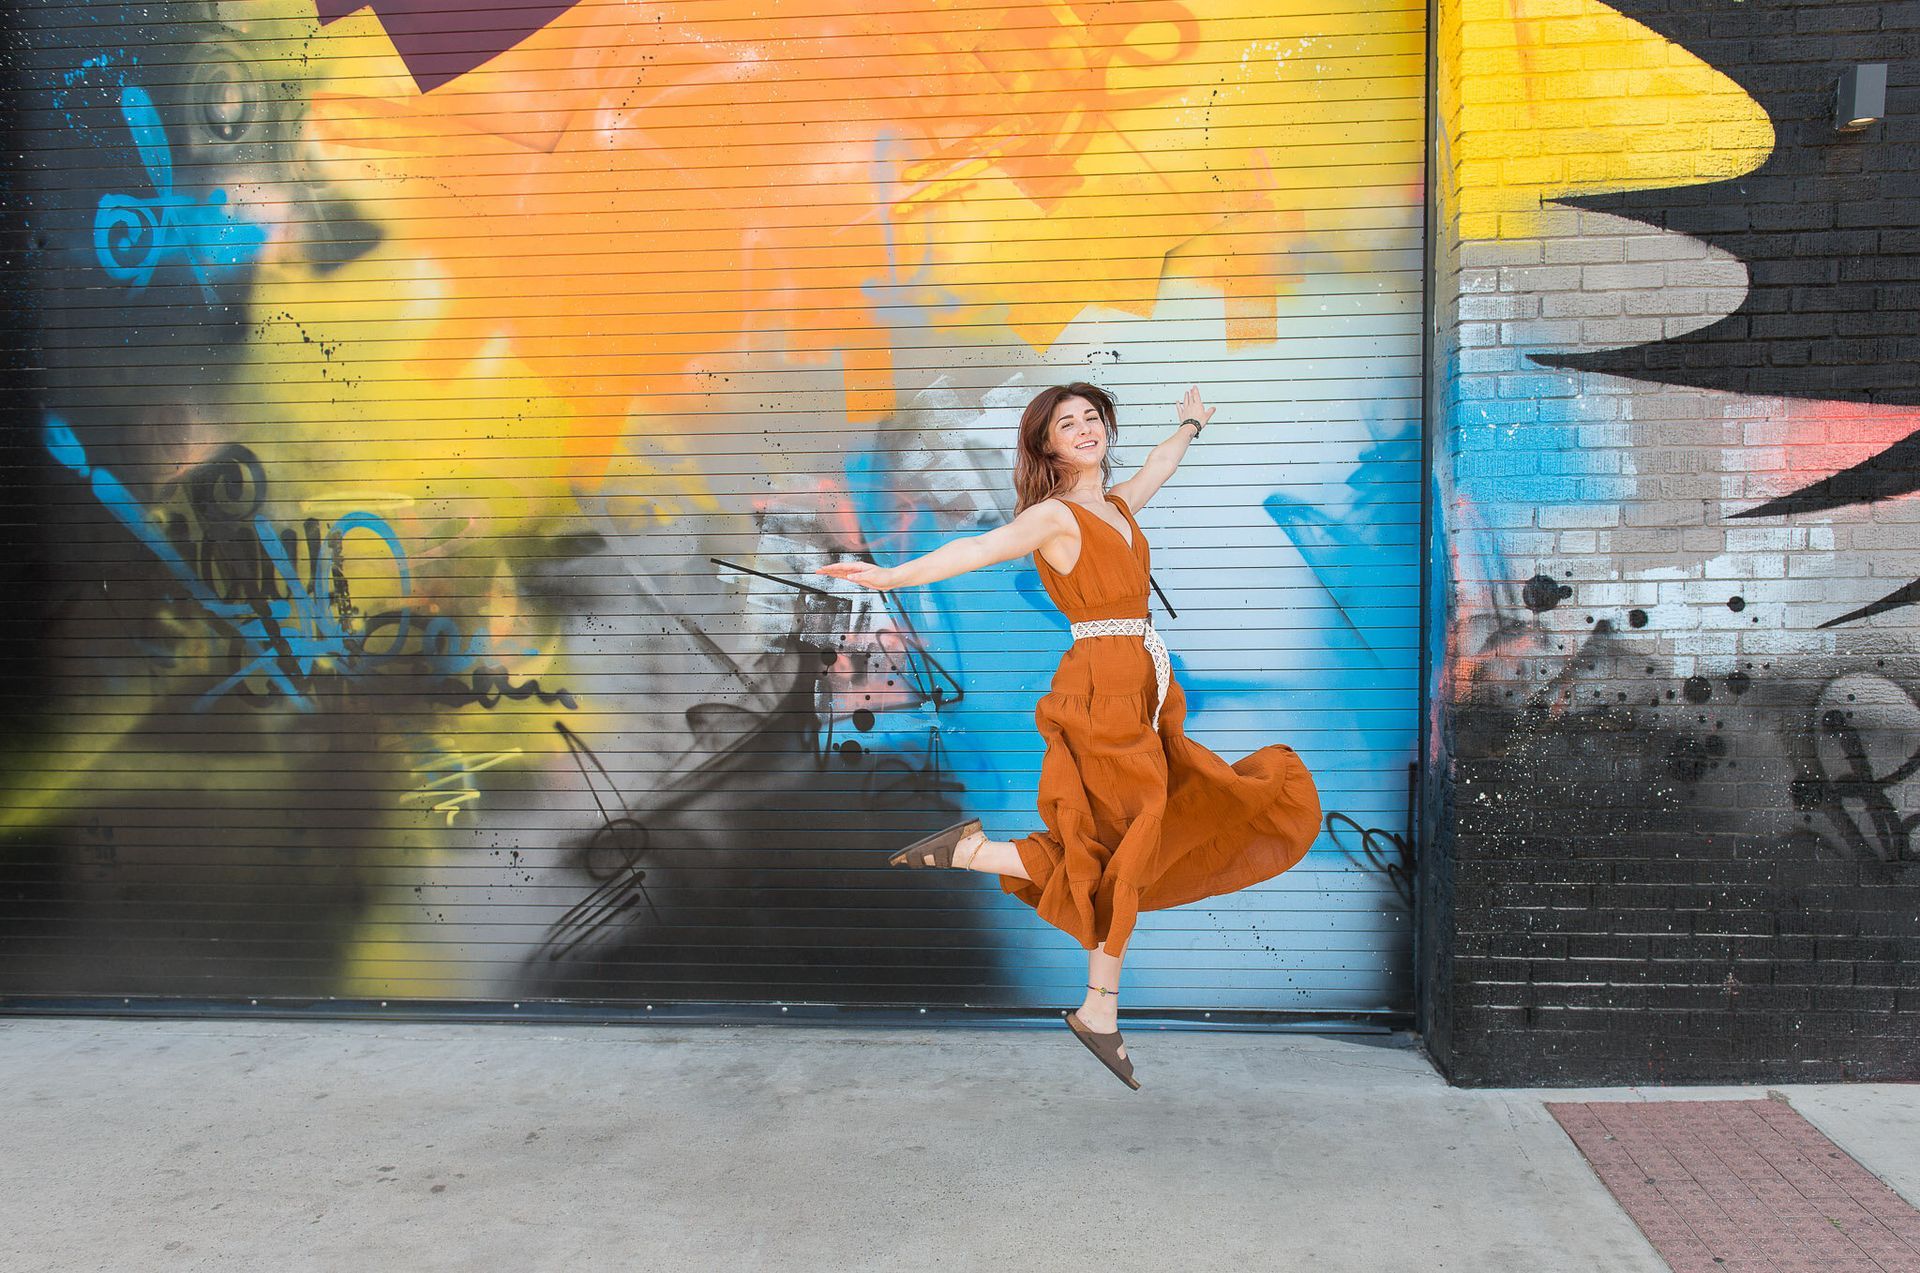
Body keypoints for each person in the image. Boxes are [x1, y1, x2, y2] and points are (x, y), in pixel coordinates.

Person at [816, 382, 1322, 1090]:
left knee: (1122, 844)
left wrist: (1188, 425)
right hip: (1101, 692)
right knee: (1135, 836)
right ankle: (1095, 1005)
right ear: (1046, 444)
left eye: (1092, 418)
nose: (1083, 429)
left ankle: (985, 865)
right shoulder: (1053, 518)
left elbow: (1159, 467)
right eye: (1067, 423)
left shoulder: (1116, 507)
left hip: (1142, 687)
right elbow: (978, 548)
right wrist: (890, 573)